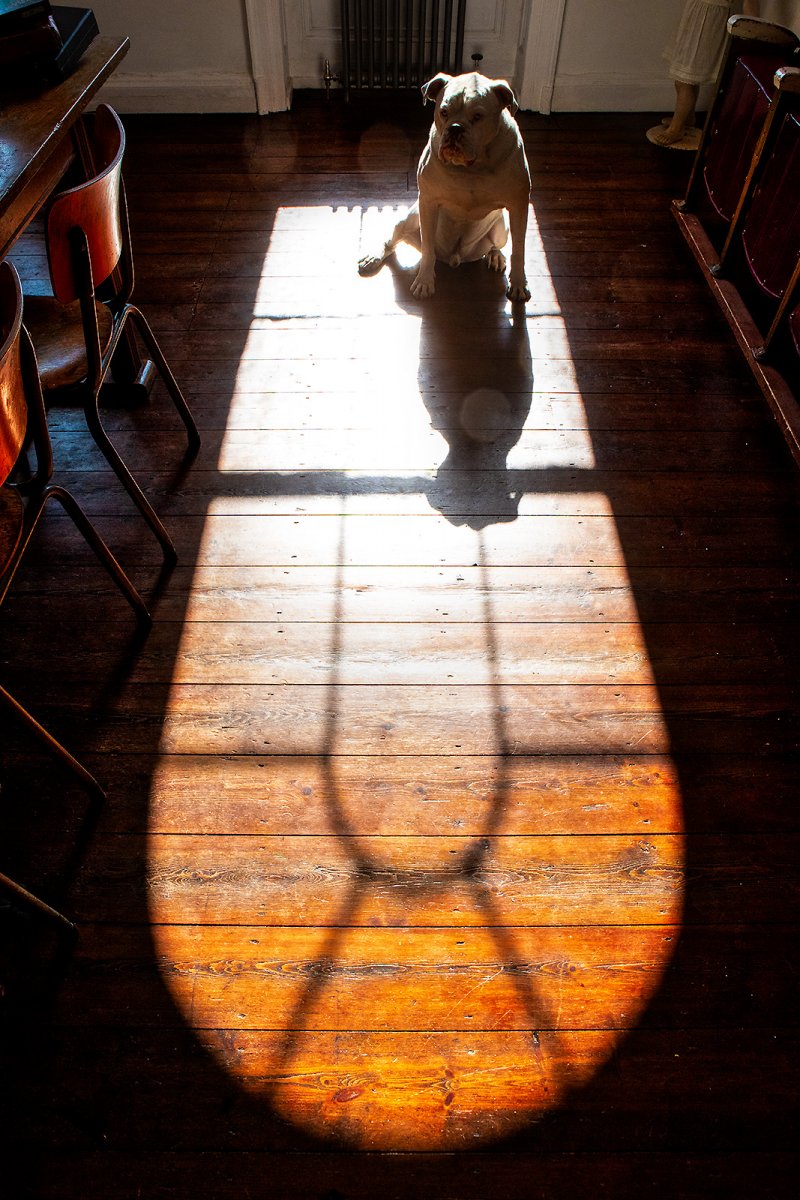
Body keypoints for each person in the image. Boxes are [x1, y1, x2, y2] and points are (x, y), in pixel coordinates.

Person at [647, 1, 761, 149]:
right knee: (685, 76)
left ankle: (677, 128)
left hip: (710, 19)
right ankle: (687, 118)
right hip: (696, 13)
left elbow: (750, 5)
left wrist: (751, 33)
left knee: (686, 80)